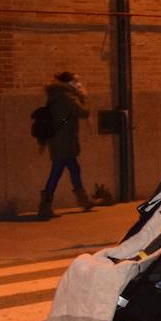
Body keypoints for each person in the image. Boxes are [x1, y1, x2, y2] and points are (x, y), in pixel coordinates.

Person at [39, 71, 92, 219]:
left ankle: (84, 201)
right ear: (68, 82)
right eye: (75, 81)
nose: (78, 83)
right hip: (64, 141)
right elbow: (83, 112)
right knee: (57, 171)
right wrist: (83, 96)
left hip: (60, 140)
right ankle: (45, 206)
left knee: (73, 168)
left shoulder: (57, 95)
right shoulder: (67, 97)